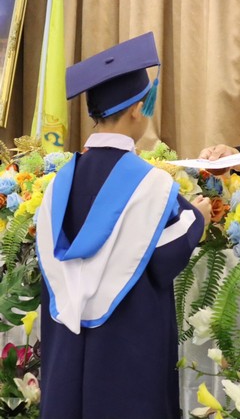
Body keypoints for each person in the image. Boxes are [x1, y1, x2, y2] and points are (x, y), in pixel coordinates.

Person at [35, 32, 211, 419]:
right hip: (127, 348)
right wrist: (200, 216)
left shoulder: (58, 184)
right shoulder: (150, 184)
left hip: (68, 346)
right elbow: (164, 257)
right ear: (136, 110)